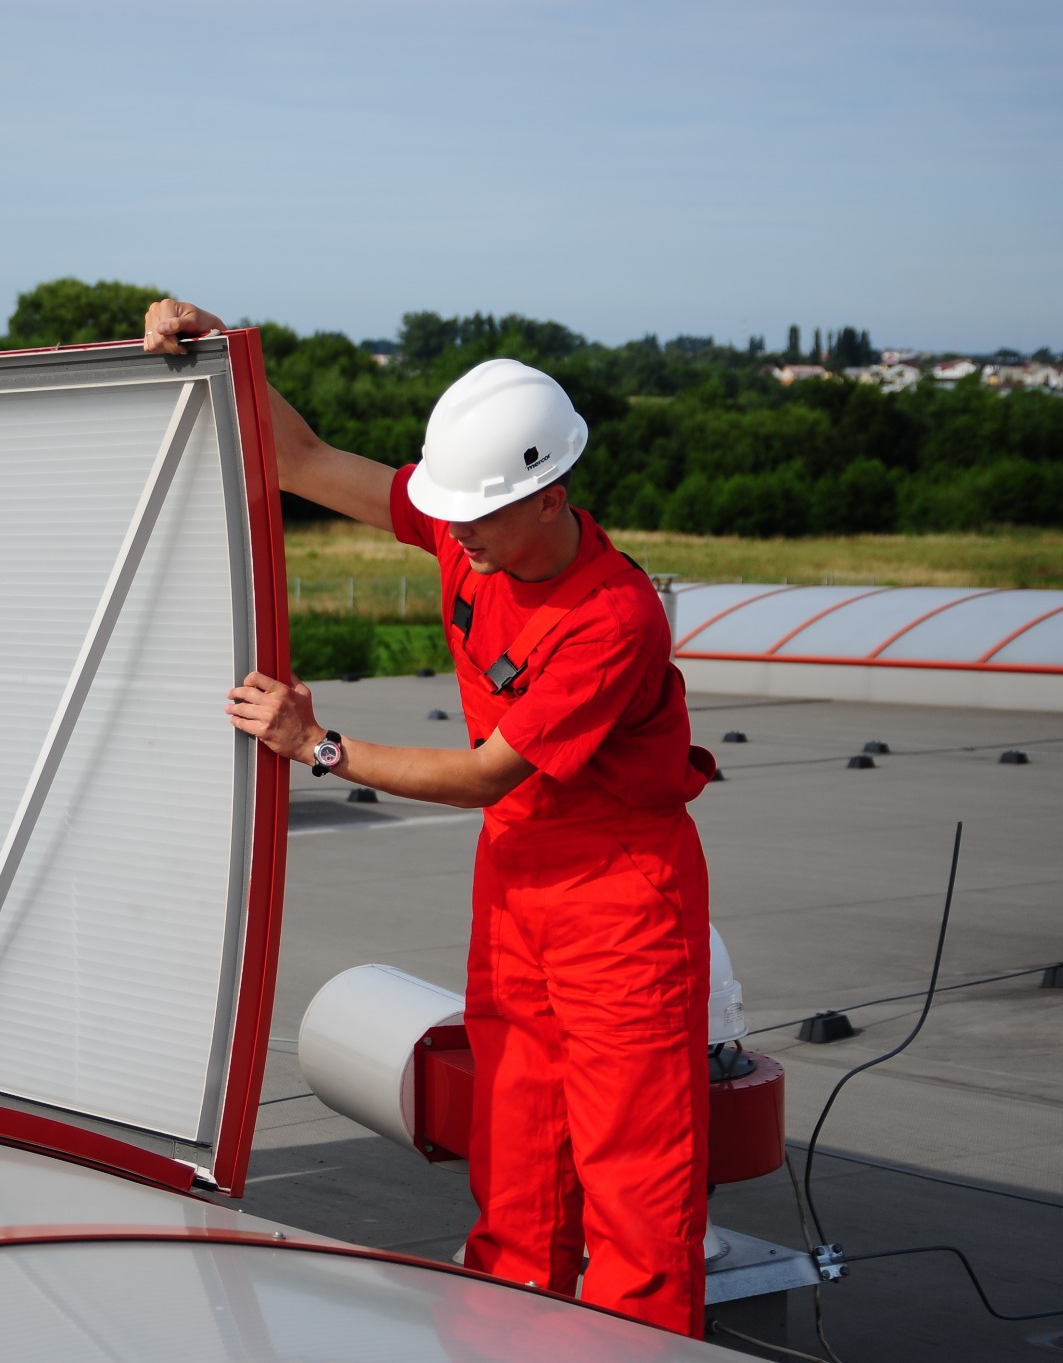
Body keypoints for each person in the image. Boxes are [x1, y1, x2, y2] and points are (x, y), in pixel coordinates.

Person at [147, 301, 714, 1337]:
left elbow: (484, 773)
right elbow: (307, 458)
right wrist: (217, 349)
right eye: (446, 512)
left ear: (546, 497)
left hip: (618, 897)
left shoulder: (611, 617)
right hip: (518, 881)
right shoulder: (477, 537)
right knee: (516, 1139)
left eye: (476, 516)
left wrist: (317, 747)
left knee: (632, 1169)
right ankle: (511, 1325)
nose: (451, 533)